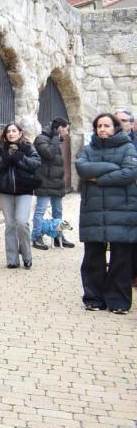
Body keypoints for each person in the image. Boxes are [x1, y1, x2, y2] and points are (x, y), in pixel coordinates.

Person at [75, 113, 137, 314]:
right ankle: (94, 298)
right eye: (99, 126)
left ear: (115, 128)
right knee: (93, 257)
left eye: (107, 125)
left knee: (121, 258)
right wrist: (112, 168)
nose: (102, 129)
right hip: (93, 210)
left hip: (122, 210)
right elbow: (82, 169)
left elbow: (129, 173)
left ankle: (118, 301)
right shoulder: (87, 149)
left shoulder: (127, 148)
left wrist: (98, 179)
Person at [0, 123, 42, 269]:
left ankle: (26, 255)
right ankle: (12, 259)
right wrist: (6, 157)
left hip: (24, 189)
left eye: (14, 131)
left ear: (20, 132)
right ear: (5, 135)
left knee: (22, 222)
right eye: (8, 132)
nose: (11, 134)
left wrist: (19, 158)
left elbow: (36, 163)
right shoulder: (0, 149)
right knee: (10, 224)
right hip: (5, 190)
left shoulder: (27, 147)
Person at [31, 117, 72, 250]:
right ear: (60, 128)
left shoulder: (57, 140)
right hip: (44, 181)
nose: (67, 132)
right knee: (40, 211)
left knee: (58, 211)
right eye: (66, 129)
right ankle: (36, 236)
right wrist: (56, 138)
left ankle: (57, 236)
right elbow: (48, 154)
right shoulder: (41, 139)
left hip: (57, 182)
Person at [113, 109, 137, 288]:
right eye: (117, 120)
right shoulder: (104, 144)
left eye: (124, 120)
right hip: (117, 199)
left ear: (131, 123)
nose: (120, 123)